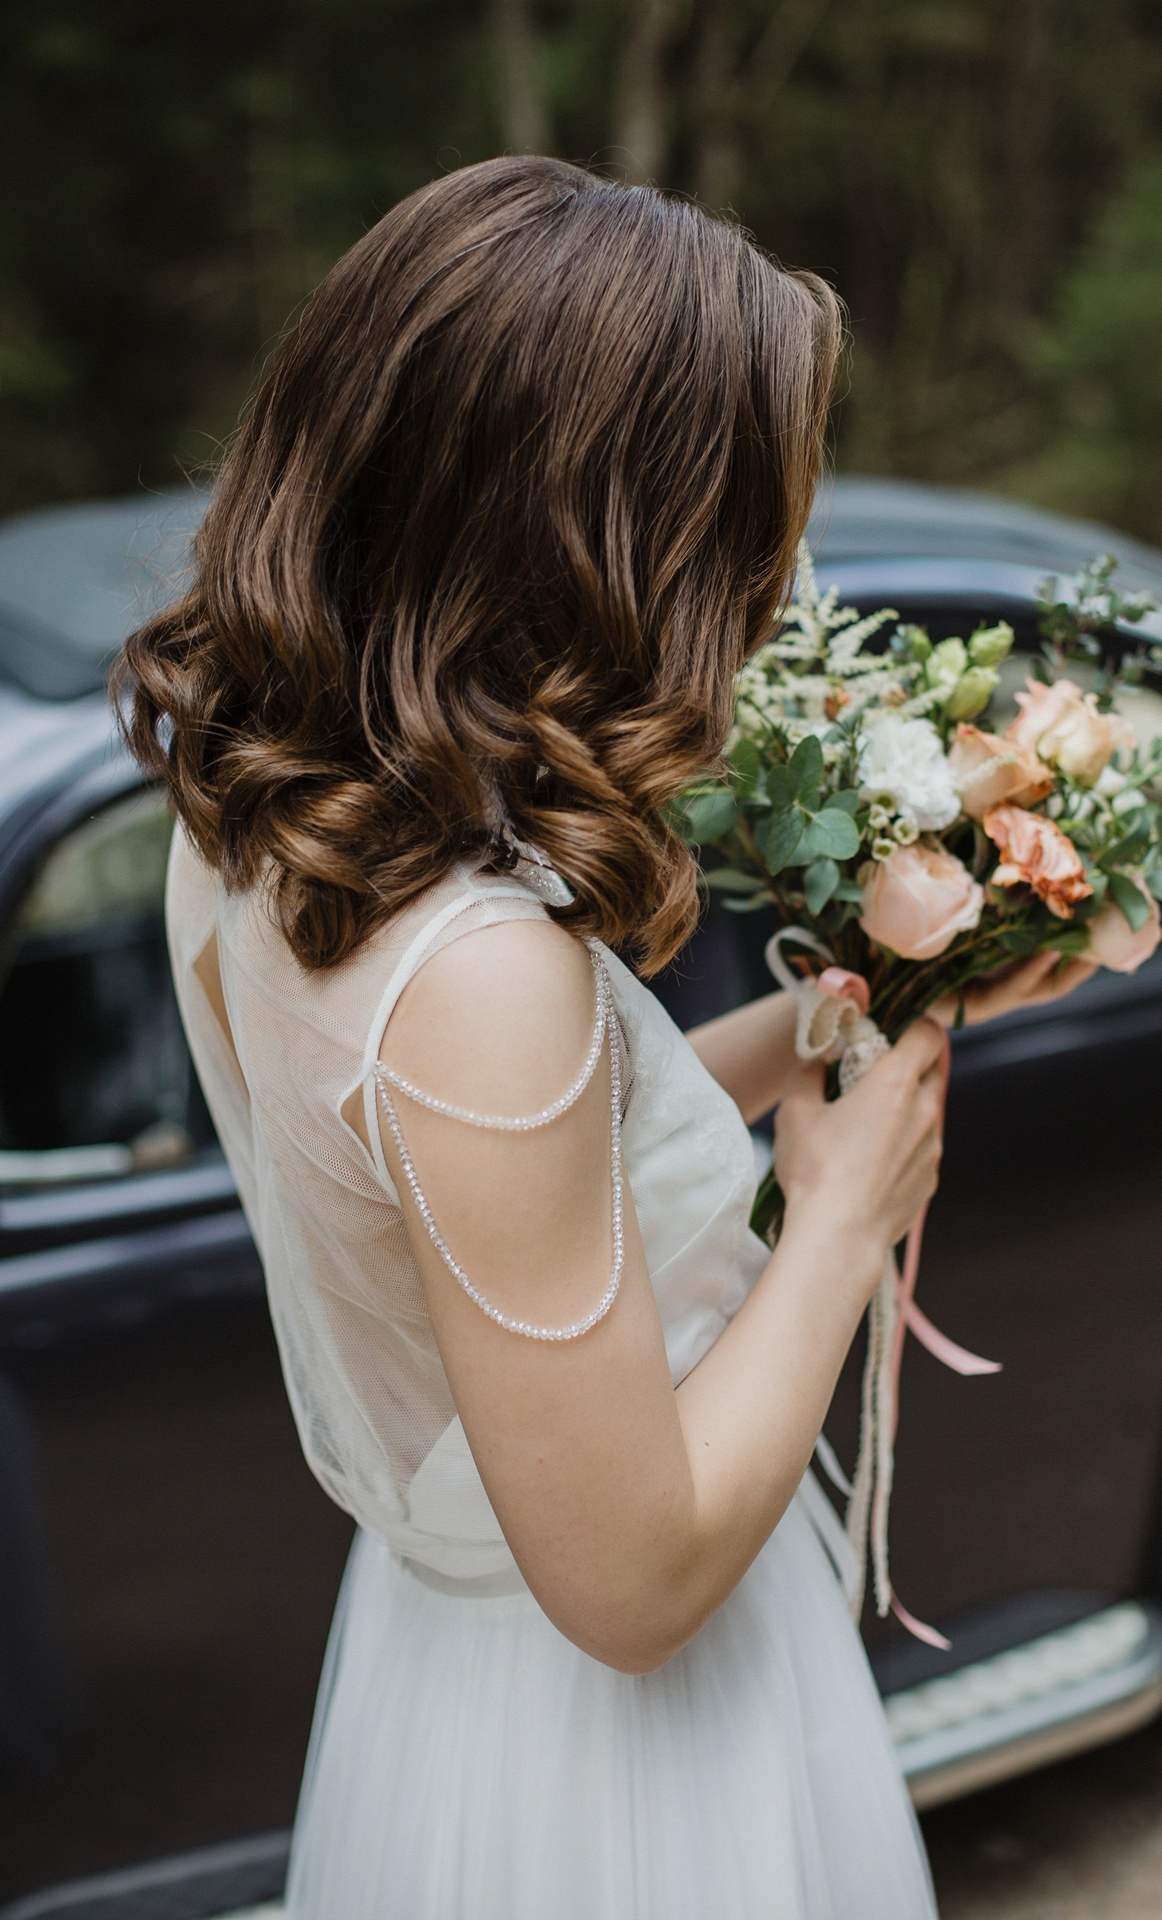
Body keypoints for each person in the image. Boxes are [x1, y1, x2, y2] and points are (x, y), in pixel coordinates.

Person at [118, 156, 1093, 1920]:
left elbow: (478, 1188)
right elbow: (633, 1582)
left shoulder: (260, 808)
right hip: (607, 1762)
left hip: (453, 1668)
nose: (779, 584)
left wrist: (816, 1033)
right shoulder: (479, 969)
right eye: (747, 529)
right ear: (598, 540)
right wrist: (849, 1220)